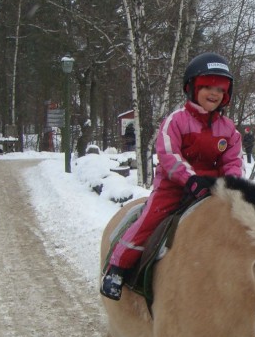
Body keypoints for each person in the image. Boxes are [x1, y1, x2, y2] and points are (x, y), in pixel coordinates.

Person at [101, 52, 244, 300]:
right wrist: (190, 179)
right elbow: (168, 154)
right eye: (207, 87)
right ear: (192, 87)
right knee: (149, 221)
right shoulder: (176, 121)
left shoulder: (229, 130)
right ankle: (117, 268)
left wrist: (229, 184)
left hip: (213, 190)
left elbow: (233, 160)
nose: (214, 93)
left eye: (220, 89)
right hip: (175, 187)